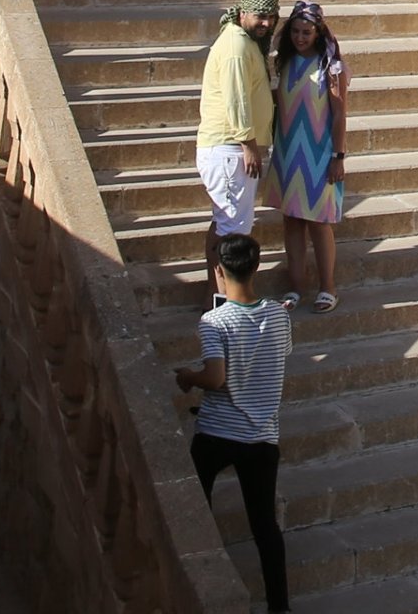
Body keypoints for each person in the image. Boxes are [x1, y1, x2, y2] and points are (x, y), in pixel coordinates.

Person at [175, 233, 293, 614]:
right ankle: (280, 606)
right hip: (262, 436)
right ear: (256, 267)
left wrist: (188, 377)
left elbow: (216, 379)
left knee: (196, 512)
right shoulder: (278, 314)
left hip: (217, 432)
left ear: (218, 271)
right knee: (265, 527)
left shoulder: (213, 321)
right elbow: (277, 356)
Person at [196, 0, 278, 286]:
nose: (266, 23)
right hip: (231, 150)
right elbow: (236, 99)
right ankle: (225, 301)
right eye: (260, 16)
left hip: (231, 149)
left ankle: (216, 298)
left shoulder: (241, 41)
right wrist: (248, 144)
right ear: (243, 13)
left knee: (226, 224)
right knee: (232, 232)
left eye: (271, 16)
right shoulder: (236, 47)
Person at [271, 0, 348, 314]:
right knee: (291, 220)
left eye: (307, 32)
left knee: (319, 221)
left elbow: (339, 114)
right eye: (296, 31)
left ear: (318, 33)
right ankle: (296, 286)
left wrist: (338, 155)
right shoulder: (283, 63)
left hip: (319, 153)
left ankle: (328, 287)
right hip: (288, 152)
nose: (300, 38)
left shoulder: (331, 67)